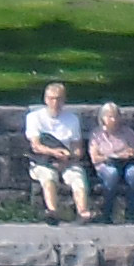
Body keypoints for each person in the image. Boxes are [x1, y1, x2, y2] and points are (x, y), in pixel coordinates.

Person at [24, 82, 93, 221]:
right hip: (43, 161)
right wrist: (54, 153)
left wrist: (70, 157)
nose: (55, 102)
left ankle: (83, 212)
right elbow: (36, 146)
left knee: (78, 177)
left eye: (58, 98)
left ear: (64, 100)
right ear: (45, 99)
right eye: (51, 98)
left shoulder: (72, 119)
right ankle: (52, 211)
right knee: (48, 177)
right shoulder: (34, 117)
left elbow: (78, 148)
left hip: (67, 161)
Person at [89, 101, 134, 226]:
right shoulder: (97, 134)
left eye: (116, 116)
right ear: (103, 118)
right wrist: (111, 156)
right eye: (110, 116)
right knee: (112, 174)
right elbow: (94, 158)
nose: (114, 119)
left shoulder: (128, 133)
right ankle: (107, 213)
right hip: (106, 164)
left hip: (127, 164)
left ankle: (131, 214)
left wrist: (132, 153)